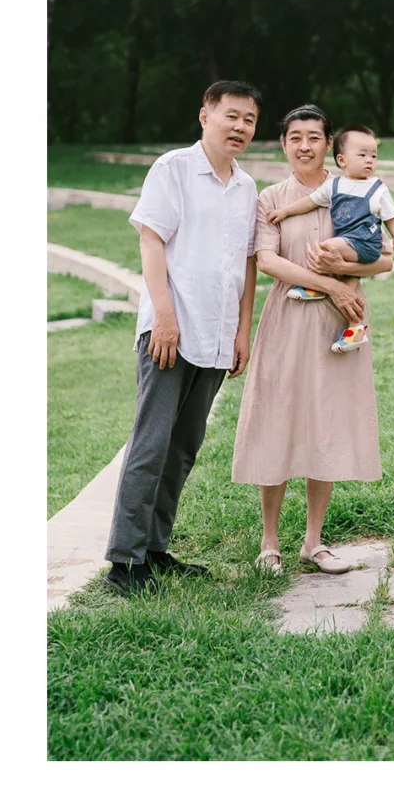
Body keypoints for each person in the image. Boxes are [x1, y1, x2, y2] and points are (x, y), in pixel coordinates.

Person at [103, 80, 263, 595]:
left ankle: (154, 548)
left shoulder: (247, 187)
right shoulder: (172, 168)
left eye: (249, 120)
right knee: (151, 445)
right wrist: (164, 316)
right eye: (231, 115)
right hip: (170, 332)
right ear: (205, 116)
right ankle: (124, 562)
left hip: (217, 335)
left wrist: (242, 330)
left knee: (183, 448)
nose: (240, 127)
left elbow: (246, 263)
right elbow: (151, 241)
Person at [231, 105, 392, 573]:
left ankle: (314, 541)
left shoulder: (355, 190)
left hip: (338, 324)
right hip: (288, 320)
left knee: (327, 422)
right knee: (277, 420)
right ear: (283, 144)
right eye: (295, 137)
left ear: (330, 146)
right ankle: (269, 542)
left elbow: (384, 259)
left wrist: (344, 271)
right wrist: (332, 284)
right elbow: (267, 261)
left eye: (314, 137)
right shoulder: (270, 198)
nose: (305, 146)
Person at [265, 124, 394, 352]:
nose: (369, 161)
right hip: (351, 244)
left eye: (373, 156)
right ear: (342, 160)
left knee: (327, 248)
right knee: (349, 294)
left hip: (365, 243)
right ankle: (355, 328)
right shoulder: (335, 185)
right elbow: (310, 201)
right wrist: (285, 211)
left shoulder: (377, 188)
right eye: (362, 155)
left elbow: (390, 215)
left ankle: (316, 286)